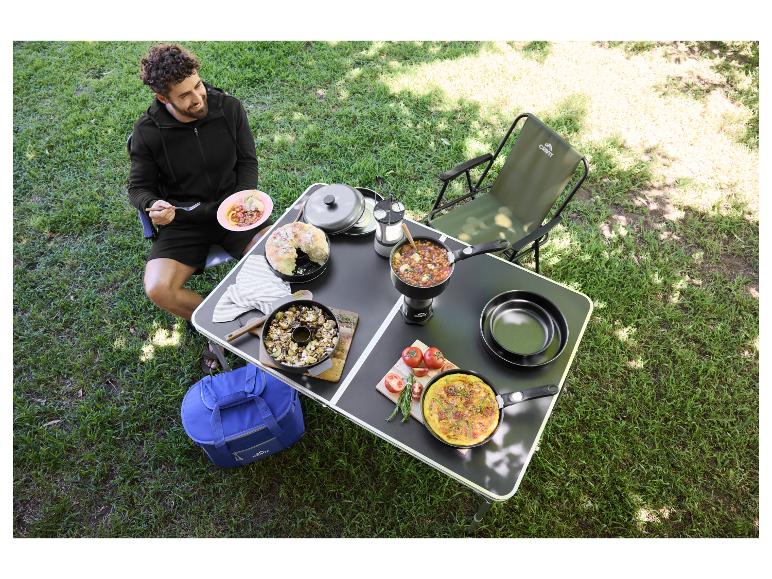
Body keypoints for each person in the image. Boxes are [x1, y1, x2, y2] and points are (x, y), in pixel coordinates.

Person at [128, 43, 270, 371]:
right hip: (183, 220)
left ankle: (249, 314)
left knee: (276, 259)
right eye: (185, 95)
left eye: (198, 85)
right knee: (158, 288)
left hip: (233, 211)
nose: (197, 98)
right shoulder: (147, 133)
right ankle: (221, 325)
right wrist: (153, 204)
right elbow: (138, 187)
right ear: (164, 98)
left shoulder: (229, 108)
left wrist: (241, 199)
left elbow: (247, 161)